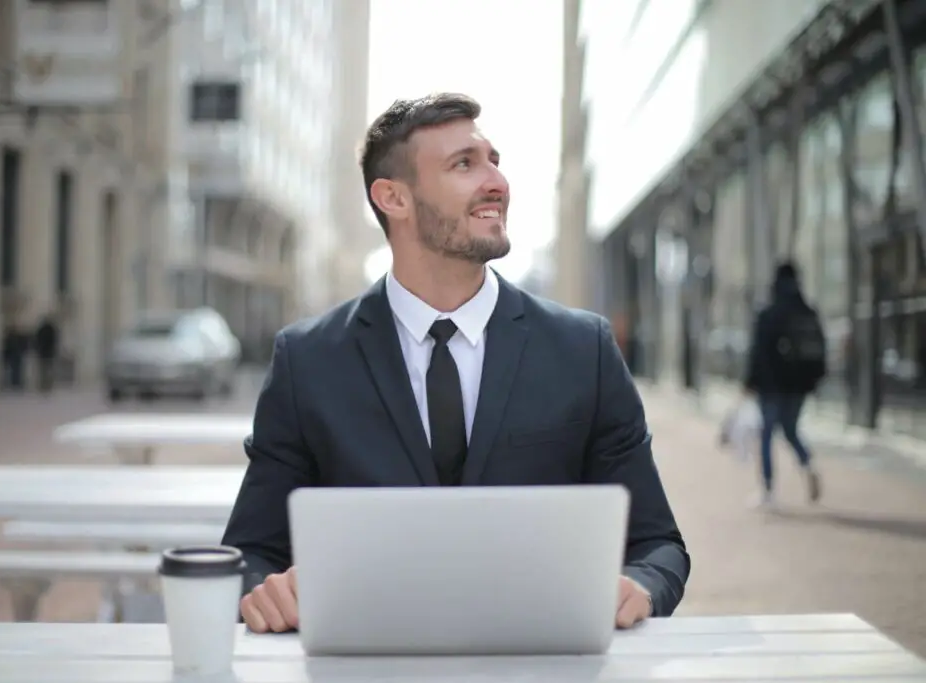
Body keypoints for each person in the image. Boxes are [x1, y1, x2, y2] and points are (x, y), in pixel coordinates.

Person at [222, 93, 689, 634]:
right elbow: (249, 555)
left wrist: (640, 586)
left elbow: (658, 544)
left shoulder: (584, 350)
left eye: (494, 160)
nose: (497, 182)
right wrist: (266, 592)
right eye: (464, 164)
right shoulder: (308, 363)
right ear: (393, 197)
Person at [743, 261, 825, 508]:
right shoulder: (807, 311)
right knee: (790, 429)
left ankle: (768, 490)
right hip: (798, 386)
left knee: (767, 434)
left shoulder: (768, 313)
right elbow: (819, 349)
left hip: (771, 386)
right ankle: (807, 464)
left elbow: (758, 352)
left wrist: (750, 381)